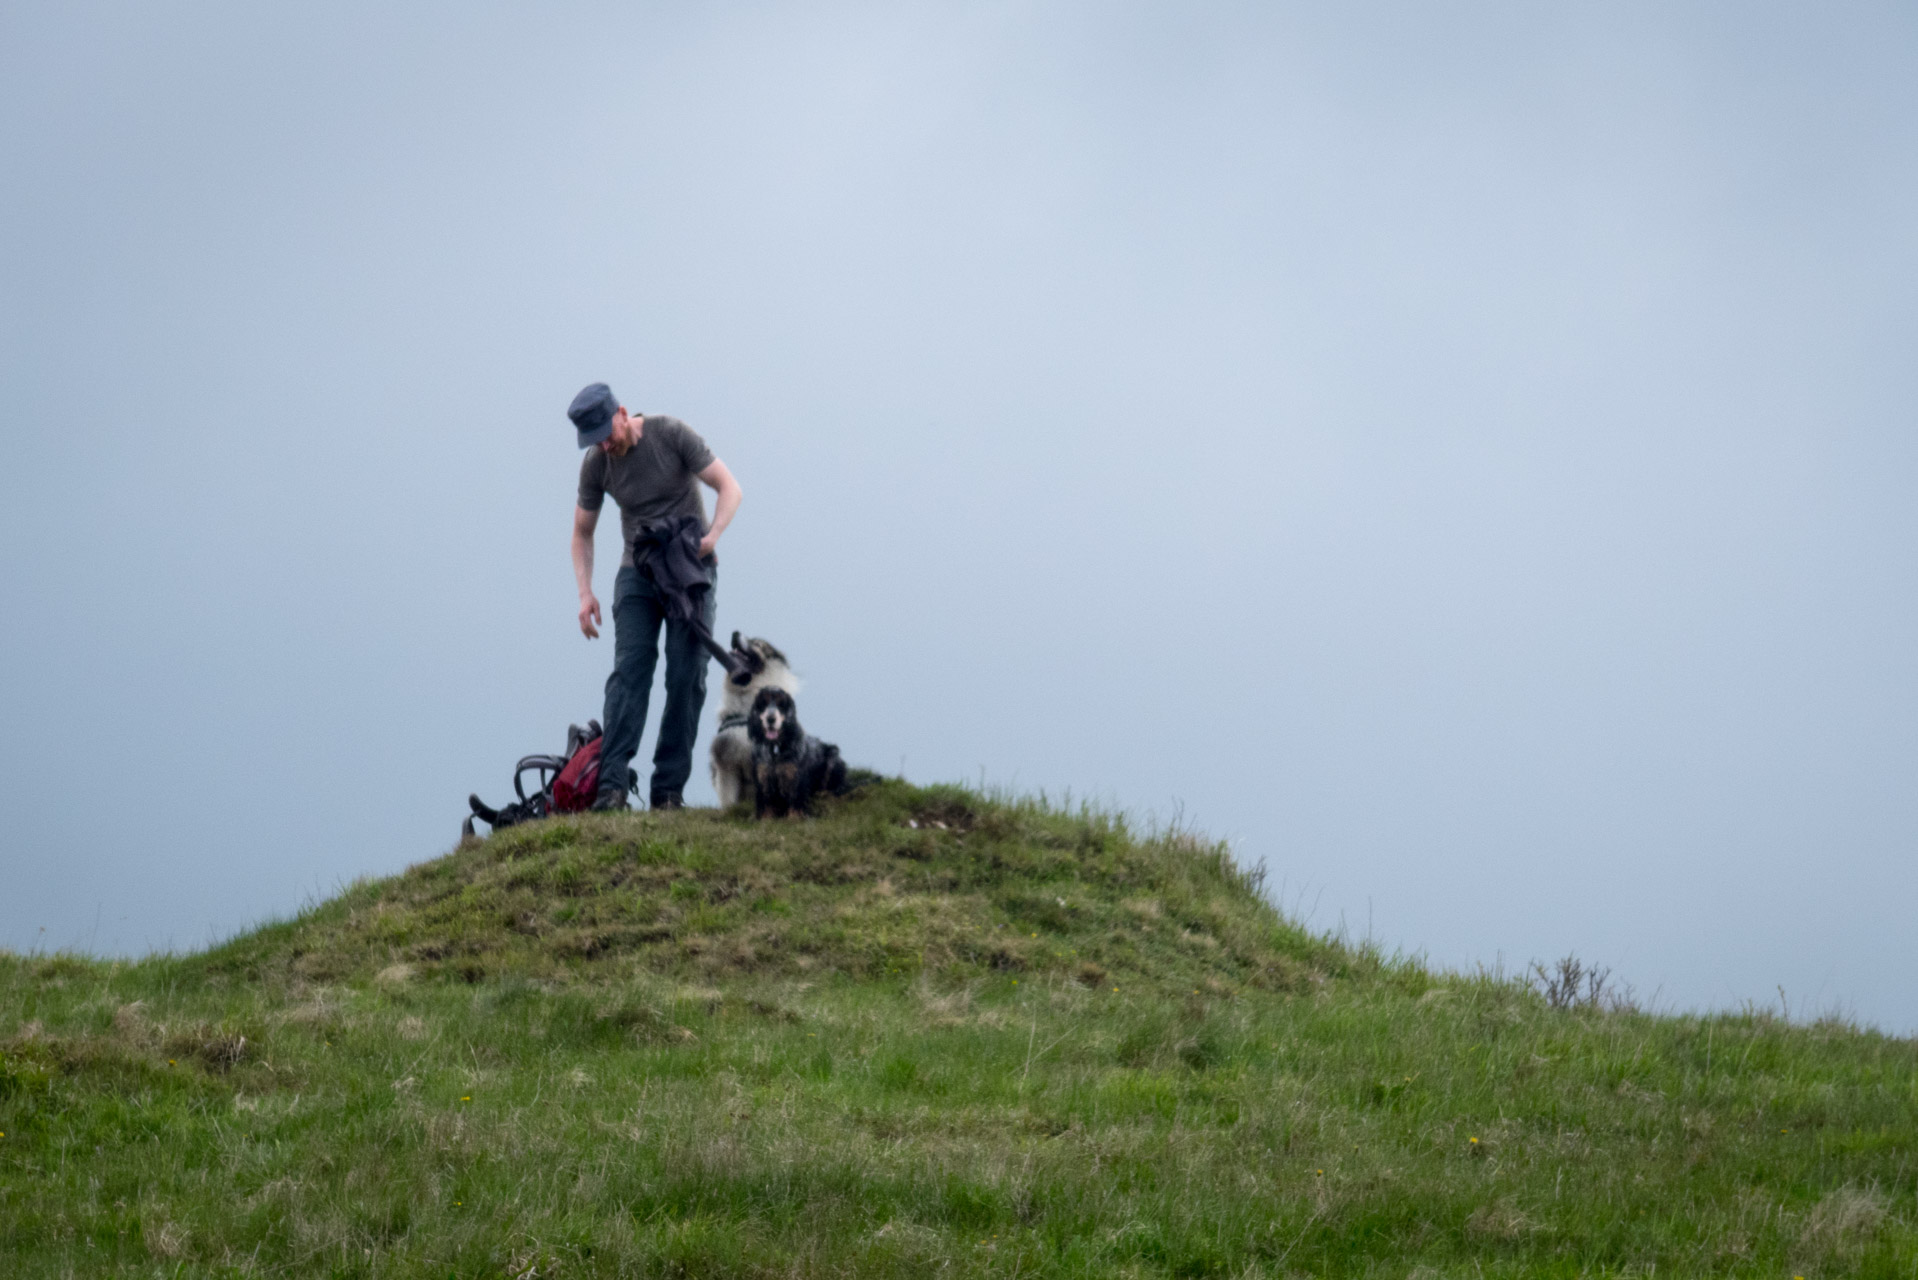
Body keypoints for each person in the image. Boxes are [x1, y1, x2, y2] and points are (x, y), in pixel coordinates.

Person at [568, 383, 743, 810]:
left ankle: (667, 791)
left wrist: (712, 535)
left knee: (686, 677)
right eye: (594, 441)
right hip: (638, 573)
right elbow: (582, 532)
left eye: (606, 434)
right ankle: (611, 787)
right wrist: (585, 593)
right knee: (630, 673)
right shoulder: (597, 465)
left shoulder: (671, 434)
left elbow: (729, 487)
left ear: (622, 414)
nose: (604, 445)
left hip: (688, 570)